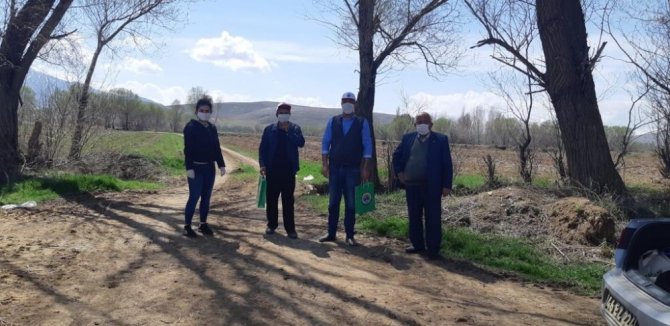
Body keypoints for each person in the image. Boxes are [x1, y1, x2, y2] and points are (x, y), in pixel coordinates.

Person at [392, 112, 453, 259]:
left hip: (432, 186)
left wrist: (446, 185)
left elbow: (447, 164)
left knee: (433, 217)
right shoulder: (408, 138)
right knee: (414, 216)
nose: (422, 124)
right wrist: (399, 173)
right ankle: (417, 244)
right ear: (415, 125)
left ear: (431, 124)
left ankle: (433, 249)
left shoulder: (440, 140)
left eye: (425, 121)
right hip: (412, 185)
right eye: (419, 122)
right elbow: (397, 156)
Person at [319, 91, 372, 246]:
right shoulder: (333, 121)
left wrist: (365, 168)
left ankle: (349, 235)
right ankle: (331, 233)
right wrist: (324, 164)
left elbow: (367, 146)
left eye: (350, 101)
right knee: (333, 203)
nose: (347, 103)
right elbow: (325, 143)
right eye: (345, 101)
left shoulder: (362, 123)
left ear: (354, 104)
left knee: (351, 204)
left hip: (353, 169)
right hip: (335, 169)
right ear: (341, 103)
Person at [258, 102, 305, 239]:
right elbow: (263, 149)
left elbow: (301, 143)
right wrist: (262, 165)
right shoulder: (269, 130)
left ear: (289, 115)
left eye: (286, 112)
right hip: (272, 170)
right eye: (281, 112)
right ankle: (271, 225)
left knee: (288, 201)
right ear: (277, 114)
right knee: (271, 199)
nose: (283, 115)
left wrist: (288, 132)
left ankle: (290, 229)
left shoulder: (295, 128)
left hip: (289, 171)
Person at [183, 96, 226, 237]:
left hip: (209, 168)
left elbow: (217, 148)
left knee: (206, 198)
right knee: (194, 197)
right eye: (202, 110)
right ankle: (187, 226)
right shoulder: (190, 127)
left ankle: (203, 224)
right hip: (195, 168)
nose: (204, 112)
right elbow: (188, 149)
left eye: (207, 110)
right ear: (196, 111)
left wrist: (221, 164)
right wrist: (189, 168)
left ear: (210, 112)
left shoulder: (212, 128)